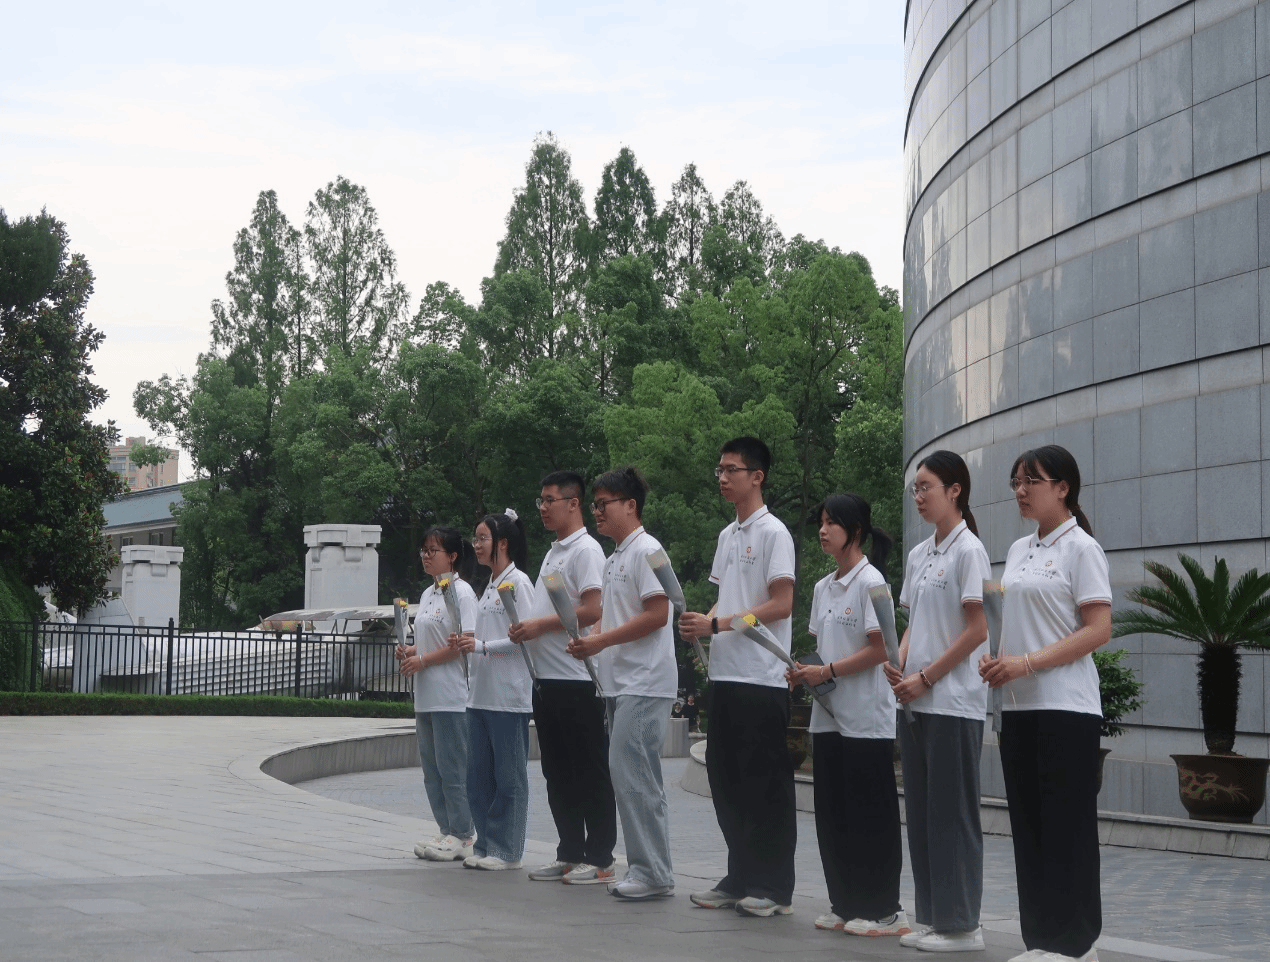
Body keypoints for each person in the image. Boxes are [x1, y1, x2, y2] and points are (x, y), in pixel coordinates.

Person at [979, 445, 1111, 962]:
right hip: (1018, 707)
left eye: (1031, 481)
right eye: (1016, 481)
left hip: (1066, 707)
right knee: (1030, 826)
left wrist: (1028, 663)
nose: (1020, 490)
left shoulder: (1081, 548)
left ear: (1063, 488)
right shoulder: (1018, 550)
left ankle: (1075, 945)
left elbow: (1098, 629)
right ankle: (1041, 941)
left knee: (1066, 827)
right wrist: (999, 660)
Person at [679, 436, 797, 918]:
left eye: (732, 469)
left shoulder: (774, 533)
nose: (723, 478)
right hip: (726, 676)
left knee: (763, 783)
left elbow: (781, 604)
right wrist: (702, 622)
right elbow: (725, 600)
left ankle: (773, 887)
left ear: (757, 476)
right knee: (726, 779)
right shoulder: (728, 535)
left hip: (762, 678)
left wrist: (719, 624)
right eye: (720, 470)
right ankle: (741, 875)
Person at [788, 493, 907, 939]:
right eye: (820, 522)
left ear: (855, 531)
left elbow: (881, 650)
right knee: (833, 812)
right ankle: (846, 902)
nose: (822, 530)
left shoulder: (871, 581)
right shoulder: (823, 587)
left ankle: (885, 909)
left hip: (866, 718)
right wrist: (804, 671)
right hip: (828, 715)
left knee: (870, 813)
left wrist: (827, 671)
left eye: (831, 523)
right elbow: (824, 649)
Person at [886, 451, 991, 953]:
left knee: (953, 815)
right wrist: (901, 661)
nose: (919, 496)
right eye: (915, 488)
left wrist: (926, 676)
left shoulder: (970, 551)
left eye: (926, 486)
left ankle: (963, 925)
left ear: (955, 490)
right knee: (925, 815)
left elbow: (977, 630)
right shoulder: (919, 554)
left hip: (952, 702)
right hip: (917, 701)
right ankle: (933, 918)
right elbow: (915, 624)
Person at [567, 466, 678, 900]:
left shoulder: (647, 549)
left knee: (635, 774)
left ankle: (653, 873)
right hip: (620, 681)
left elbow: (658, 614)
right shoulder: (614, 558)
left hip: (645, 681)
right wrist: (592, 640)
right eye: (595, 505)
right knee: (627, 773)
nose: (596, 511)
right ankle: (647, 869)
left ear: (630, 505)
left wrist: (600, 641)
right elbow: (613, 618)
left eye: (603, 504)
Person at [506, 471, 617, 886]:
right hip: (547, 679)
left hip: (576, 679)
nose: (543, 508)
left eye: (550, 500)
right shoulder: (554, 552)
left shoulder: (586, 550)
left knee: (589, 769)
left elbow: (593, 609)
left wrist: (539, 626)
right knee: (558, 771)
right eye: (540, 500)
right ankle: (570, 851)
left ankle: (601, 857)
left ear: (574, 503)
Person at [454, 511, 536, 871]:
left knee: (509, 778)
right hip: (480, 695)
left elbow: (526, 636)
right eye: (475, 538)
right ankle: (486, 845)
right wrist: (472, 644)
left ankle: (508, 851)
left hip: (508, 697)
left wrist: (482, 646)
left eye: (482, 538)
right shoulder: (489, 585)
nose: (476, 544)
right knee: (478, 777)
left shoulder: (519, 583)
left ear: (502, 543)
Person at [397, 527, 479, 863]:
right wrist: (409, 651)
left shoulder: (462, 593)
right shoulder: (430, 593)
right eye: (424, 550)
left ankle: (464, 833)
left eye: (433, 550)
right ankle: (447, 829)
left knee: (452, 768)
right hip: (426, 695)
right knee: (432, 770)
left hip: (450, 695)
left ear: (453, 556)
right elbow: (430, 641)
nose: (426, 556)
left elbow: (462, 645)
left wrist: (422, 660)